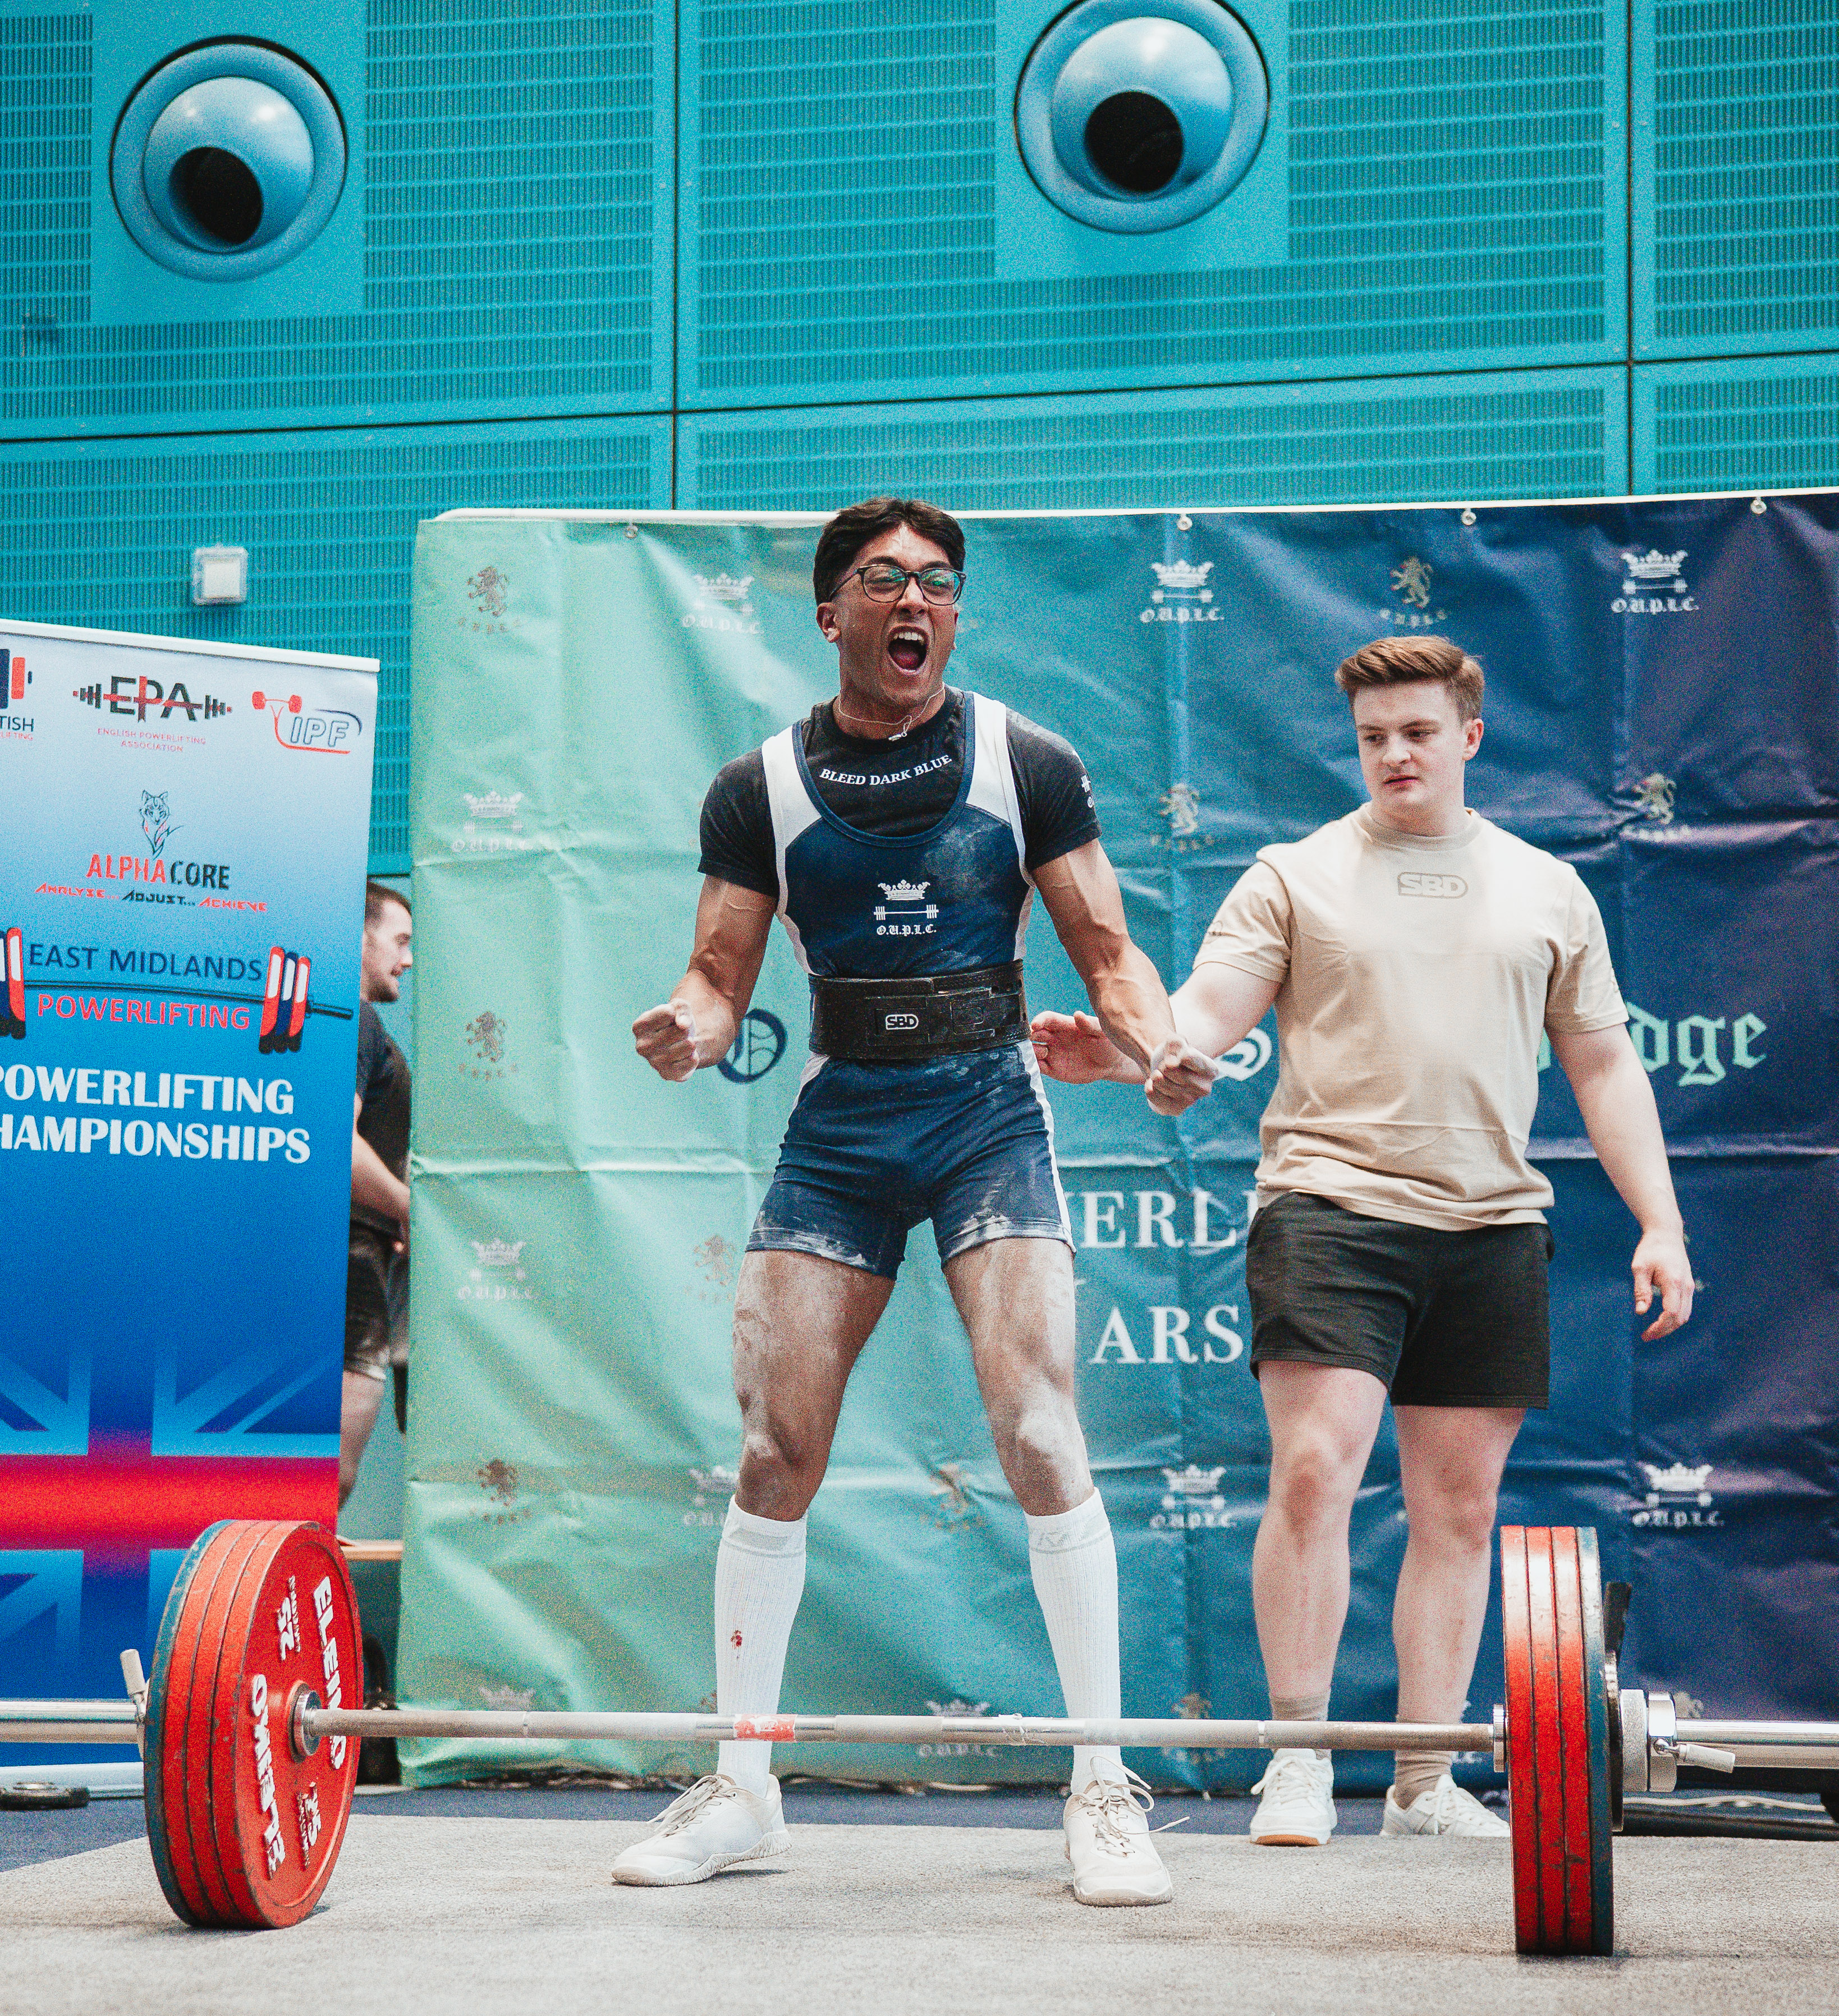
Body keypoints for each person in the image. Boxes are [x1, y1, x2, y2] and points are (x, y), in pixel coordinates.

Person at [621, 496, 1216, 1904]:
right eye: (886, 581)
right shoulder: (755, 786)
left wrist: (1160, 1037)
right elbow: (718, 976)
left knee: (1039, 1428)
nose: (917, 602)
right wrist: (693, 1026)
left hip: (985, 1115)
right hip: (844, 1124)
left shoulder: (1028, 761)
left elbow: (1109, 949)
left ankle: (1101, 1783)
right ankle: (744, 1787)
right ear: (830, 613)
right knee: (775, 1453)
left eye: (940, 584)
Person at [1033, 634, 1694, 1845]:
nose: (1394, 751)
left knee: (1455, 1510)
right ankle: (1295, 1758)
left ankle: (1422, 1780)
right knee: (1312, 1471)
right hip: (1330, 1211)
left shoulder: (1550, 888)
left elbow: (1603, 1061)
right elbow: (1203, 1019)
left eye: (1418, 731)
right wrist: (1131, 1055)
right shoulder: (1294, 875)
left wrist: (1660, 1219)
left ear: (1468, 736)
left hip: (1491, 1225)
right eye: (1374, 735)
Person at [341, 880, 414, 1509]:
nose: (407, 958)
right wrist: (409, 1207)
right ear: (359, 937)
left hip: (364, 1259)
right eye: (400, 940)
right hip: (349, 1262)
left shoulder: (358, 1023)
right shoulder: (356, 1019)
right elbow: (337, 1142)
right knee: (330, 1475)